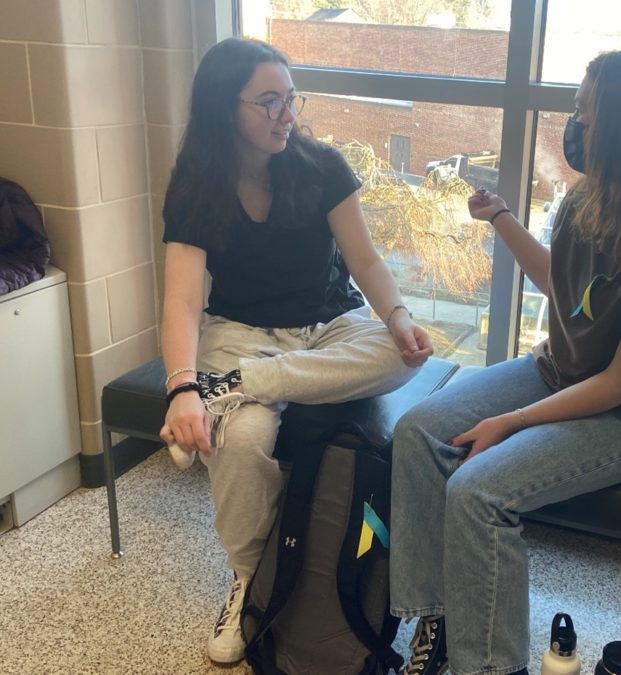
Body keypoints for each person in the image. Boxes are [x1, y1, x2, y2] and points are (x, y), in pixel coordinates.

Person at [389, 50, 621, 675]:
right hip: (559, 373)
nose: (572, 123)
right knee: (417, 431)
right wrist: (501, 218)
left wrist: (514, 422)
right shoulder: (589, 200)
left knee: (477, 492)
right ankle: (436, 616)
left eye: (585, 111)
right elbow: (564, 284)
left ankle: (493, 667)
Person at [158, 38, 433, 664]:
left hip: (328, 328)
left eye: (290, 98)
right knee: (246, 442)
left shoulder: (321, 167)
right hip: (237, 331)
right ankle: (250, 581)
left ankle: (237, 386)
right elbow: (180, 302)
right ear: (225, 110)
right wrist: (179, 386)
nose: (287, 114)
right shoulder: (196, 186)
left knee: (396, 356)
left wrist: (399, 318)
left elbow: (364, 260)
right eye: (269, 102)